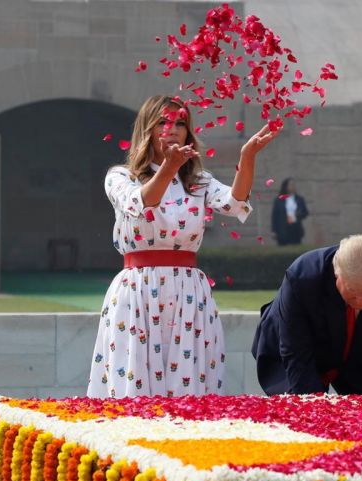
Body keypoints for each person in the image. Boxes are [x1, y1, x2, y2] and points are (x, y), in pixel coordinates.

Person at [88, 95, 281, 398]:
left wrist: (248, 157)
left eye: (180, 123)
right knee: (135, 385)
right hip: (138, 287)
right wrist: (168, 167)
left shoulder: (197, 181)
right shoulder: (121, 177)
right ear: (147, 129)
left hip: (188, 289)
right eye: (163, 122)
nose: (173, 129)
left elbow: (234, 203)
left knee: (188, 386)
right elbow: (142, 203)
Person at [251, 234, 362, 394]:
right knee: (300, 407)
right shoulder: (303, 278)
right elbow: (295, 351)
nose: (360, 300)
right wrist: (313, 405)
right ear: (337, 273)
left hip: (360, 356)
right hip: (295, 352)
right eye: (353, 290)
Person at [271, 177, 309, 245]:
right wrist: (274, 231)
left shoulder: (299, 199)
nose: (293, 186)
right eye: (291, 185)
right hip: (282, 229)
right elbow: (274, 216)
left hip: (296, 229)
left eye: (294, 185)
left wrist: (299, 214)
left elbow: (305, 212)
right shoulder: (279, 200)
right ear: (286, 186)